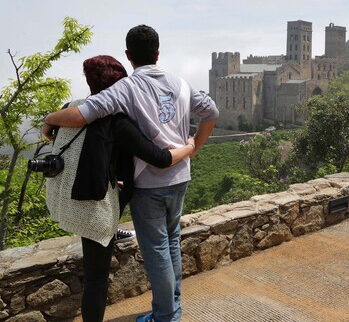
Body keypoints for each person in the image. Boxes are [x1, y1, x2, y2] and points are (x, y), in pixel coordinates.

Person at [43, 25, 219, 322]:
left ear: (128, 55)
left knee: (158, 251)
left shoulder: (126, 89)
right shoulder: (180, 83)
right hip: (181, 180)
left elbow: (83, 114)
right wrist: (194, 148)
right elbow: (211, 112)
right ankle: (172, 306)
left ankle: (166, 315)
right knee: (172, 241)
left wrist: (48, 118)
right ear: (158, 52)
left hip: (150, 184)